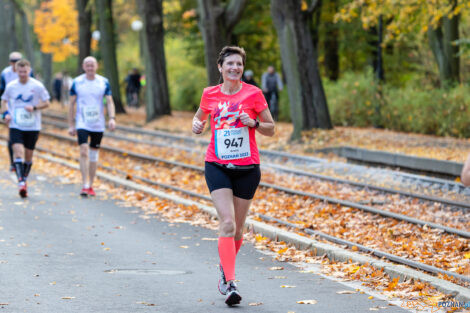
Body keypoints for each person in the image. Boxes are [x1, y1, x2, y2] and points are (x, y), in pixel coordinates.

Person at [192, 46, 275, 306]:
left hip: (248, 168)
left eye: (238, 64)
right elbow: (199, 119)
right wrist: (197, 125)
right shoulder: (209, 94)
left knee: (238, 230)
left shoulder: (254, 94)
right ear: (220, 67)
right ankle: (229, 283)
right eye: (230, 64)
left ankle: (224, 267)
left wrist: (255, 124)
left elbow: (271, 129)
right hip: (216, 165)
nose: (234, 68)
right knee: (226, 224)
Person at [0, 59, 50, 198]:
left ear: (29, 71)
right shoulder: (11, 86)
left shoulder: (37, 85)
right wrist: (6, 114)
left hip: (33, 125)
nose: (23, 74)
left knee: (28, 156)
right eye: (20, 71)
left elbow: (47, 102)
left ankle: (24, 177)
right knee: (18, 152)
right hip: (16, 124)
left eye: (25, 71)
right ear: (16, 71)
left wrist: (34, 107)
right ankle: (21, 182)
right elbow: (3, 101)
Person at [67, 56, 116, 197]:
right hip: (82, 121)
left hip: (98, 123)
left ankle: (91, 184)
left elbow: (110, 101)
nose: (90, 67)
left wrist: (112, 118)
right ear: (83, 66)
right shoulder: (77, 82)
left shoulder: (103, 82)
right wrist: (71, 124)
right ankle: (84, 184)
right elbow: (71, 104)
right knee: (83, 150)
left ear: (96, 66)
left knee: (94, 154)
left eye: (92, 65)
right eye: (87, 65)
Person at [0, 51, 33, 173]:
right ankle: (13, 162)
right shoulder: (5, 73)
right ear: (10, 62)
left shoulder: (28, 71)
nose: (16, 63)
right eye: (13, 61)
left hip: (24, 107)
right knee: (12, 135)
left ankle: (22, 158)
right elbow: (1, 93)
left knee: (26, 135)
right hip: (10, 107)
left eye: (18, 60)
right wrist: (4, 112)